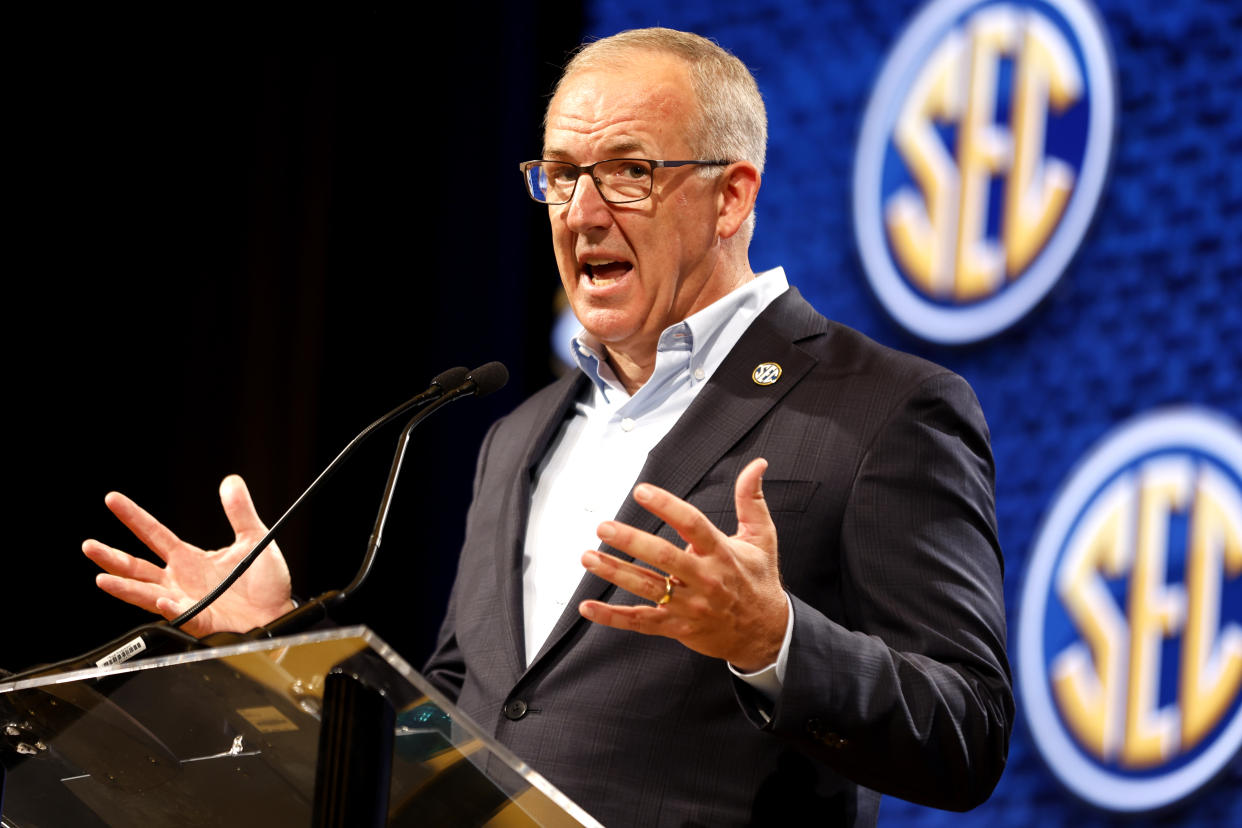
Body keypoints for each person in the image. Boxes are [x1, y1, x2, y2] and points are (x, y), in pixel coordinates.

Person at [84, 28, 1013, 827]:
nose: (582, 212)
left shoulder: (882, 407)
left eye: (629, 173)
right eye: (561, 176)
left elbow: (966, 733)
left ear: (732, 197)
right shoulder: (520, 434)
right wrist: (281, 647)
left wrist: (772, 640)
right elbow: (461, 724)